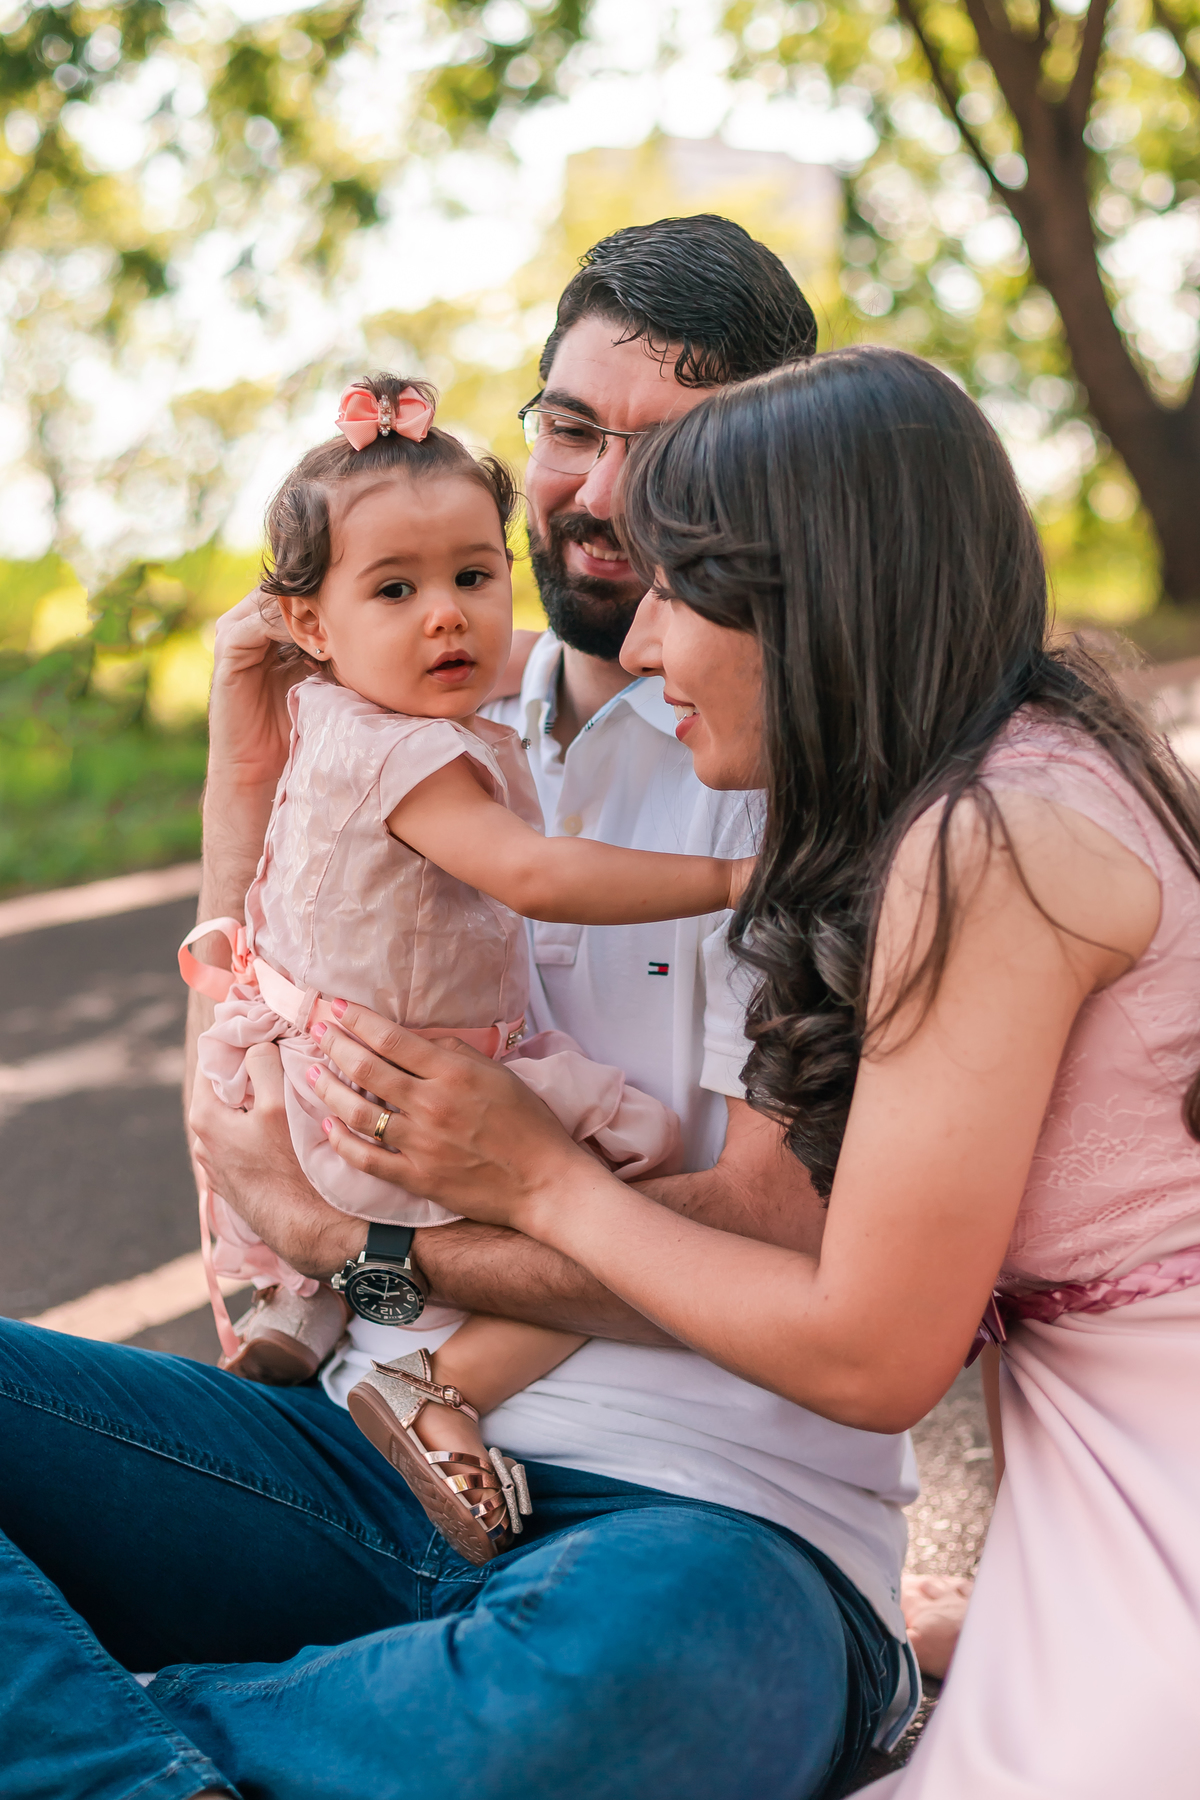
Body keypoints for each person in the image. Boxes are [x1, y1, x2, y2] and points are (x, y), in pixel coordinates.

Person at [0, 218, 916, 1800]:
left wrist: (348, 1245)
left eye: (676, 443)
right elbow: (253, 1061)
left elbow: (787, 1243)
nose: (603, 490)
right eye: (571, 430)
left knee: (638, 1692)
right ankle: (231, 1747)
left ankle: (122, 1739)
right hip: (351, 1465)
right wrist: (244, 764)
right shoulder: (382, 698)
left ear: (778, 468)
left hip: (696, 1516)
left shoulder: (809, 778)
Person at [305, 345, 1200, 1798]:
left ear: (808, 597)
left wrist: (545, 1184)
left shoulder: (991, 844)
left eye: (680, 590)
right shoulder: (1030, 773)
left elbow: (872, 1352)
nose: (644, 645)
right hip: (1118, 1482)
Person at [182, 372, 741, 1563]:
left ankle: (312, 1291)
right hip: (388, 1093)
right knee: (622, 1177)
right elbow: (535, 875)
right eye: (397, 589)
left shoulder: (338, 713)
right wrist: (736, 880)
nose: (448, 616)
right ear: (309, 627)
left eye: (473, 578)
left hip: (312, 1063)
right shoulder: (412, 760)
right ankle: (443, 1382)